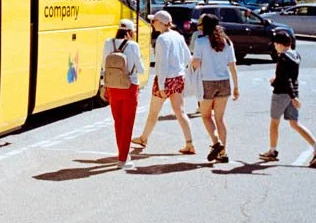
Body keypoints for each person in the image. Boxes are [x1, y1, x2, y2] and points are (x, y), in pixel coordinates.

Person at [259, 30, 316, 167]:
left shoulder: (283, 58)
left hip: (281, 94)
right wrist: (292, 94)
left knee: (274, 123)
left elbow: (286, 79)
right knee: (295, 124)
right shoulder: (296, 55)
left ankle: (272, 151)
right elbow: (290, 77)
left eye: (275, 44)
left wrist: (285, 90)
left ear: (279, 44)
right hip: (294, 92)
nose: (274, 46)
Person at [131, 9, 195, 154]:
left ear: (160, 23)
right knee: (180, 112)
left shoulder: (162, 39)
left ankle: (144, 138)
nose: (152, 23)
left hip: (165, 79)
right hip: (178, 78)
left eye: (153, 21)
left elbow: (162, 64)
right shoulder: (178, 36)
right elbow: (187, 57)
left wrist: (161, 85)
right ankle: (189, 143)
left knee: (154, 112)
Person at [190, 13, 239, 163]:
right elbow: (232, 65)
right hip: (224, 82)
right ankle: (223, 153)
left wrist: (190, 63)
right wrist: (236, 86)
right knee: (220, 119)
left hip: (207, 82)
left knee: (205, 116)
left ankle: (216, 143)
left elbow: (196, 63)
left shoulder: (201, 42)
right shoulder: (227, 42)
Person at [102, 18, 144, 169]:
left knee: (118, 122)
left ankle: (122, 153)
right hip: (129, 87)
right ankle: (123, 158)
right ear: (130, 32)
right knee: (128, 123)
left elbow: (103, 67)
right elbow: (141, 69)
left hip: (112, 87)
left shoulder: (108, 43)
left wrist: (103, 85)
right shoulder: (133, 46)